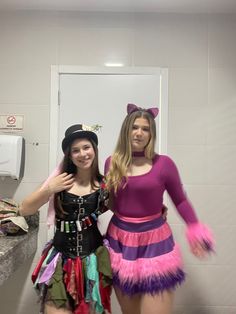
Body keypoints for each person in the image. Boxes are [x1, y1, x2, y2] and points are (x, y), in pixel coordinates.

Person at [104, 103, 215, 314]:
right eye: (134, 127)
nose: (139, 133)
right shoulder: (112, 163)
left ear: (151, 134)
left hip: (155, 243)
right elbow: (112, 202)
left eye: (146, 129)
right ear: (126, 130)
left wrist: (195, 228)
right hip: (120, 243)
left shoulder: (164, 164)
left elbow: (180, 200)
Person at [19, 124, 112, 314]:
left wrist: (156, 208)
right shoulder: (59, 182)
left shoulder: (105, 185)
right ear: (69, 156)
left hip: (92, 262)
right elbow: (25, 209)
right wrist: (48, 189)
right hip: (61, 261)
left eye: (86, 147)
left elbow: (126, 210)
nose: (82, 154)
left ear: (94, 149)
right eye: (75, 150)